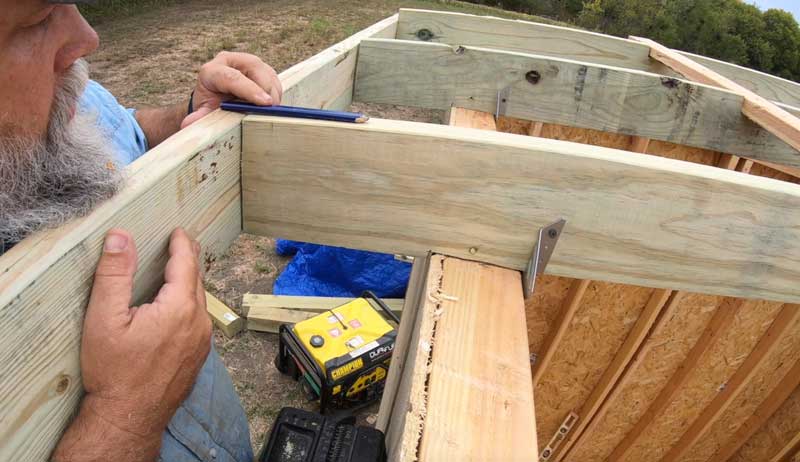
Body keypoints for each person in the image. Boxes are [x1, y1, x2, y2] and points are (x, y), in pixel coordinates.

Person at [0, 2, 282, 461]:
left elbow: (126, 131)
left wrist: (197, 114)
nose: (87, 37)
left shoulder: (69, 97)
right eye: (38, 19)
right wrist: (122, 417)